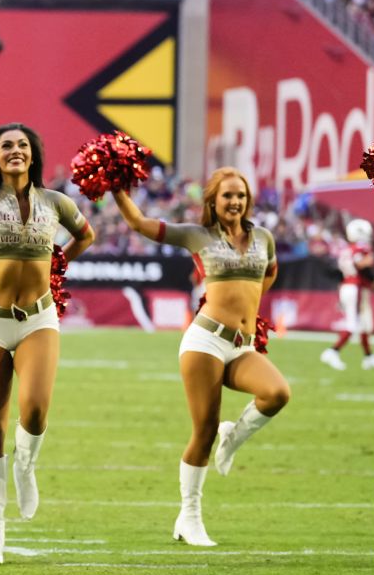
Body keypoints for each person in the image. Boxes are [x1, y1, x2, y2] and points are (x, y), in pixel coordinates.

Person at [111, 167, 290, 546]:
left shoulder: (264, 238)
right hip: (205, 341)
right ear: (213, 201)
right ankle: (188, 517)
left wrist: (247, 308)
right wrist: (116, 188)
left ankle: (234, 436)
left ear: (248, 199)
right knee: (203, 429)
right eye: (227, 195)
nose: (234, 201)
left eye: (240, 195)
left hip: (241, 343)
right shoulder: (199, 236)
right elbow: (143, 224)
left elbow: (269, 276)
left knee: (277, 393)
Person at [0, 123, 96, 564]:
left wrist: (58, 260)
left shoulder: (56, 203)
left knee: (33, 409)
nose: (15, 151)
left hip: (38, 319)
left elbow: (85, 235)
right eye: (6, 146)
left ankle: (26, 465)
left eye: (22, 145)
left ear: (34, 156)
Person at [321, 218, 374, 370]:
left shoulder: (347, 248)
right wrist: (372, 275)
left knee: (365, 325)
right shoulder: (361, 248)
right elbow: (360, 264)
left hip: (348, 286)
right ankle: (332, 351)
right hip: (355, 287)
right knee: (353, 324)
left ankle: (369, 357)